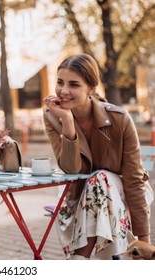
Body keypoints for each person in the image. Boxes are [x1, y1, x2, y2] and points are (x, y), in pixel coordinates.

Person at [43, 53, 153, 260]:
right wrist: (67, 123)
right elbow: (71, 169)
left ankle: (79, 259)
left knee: (100, 178)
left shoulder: (119, 119)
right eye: (60, 82)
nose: (64, 91)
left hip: (126, 194)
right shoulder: (53, 116)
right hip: (83, 198)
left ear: (91, 89)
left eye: (74, 85)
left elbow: (134, 179)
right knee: (97, 181)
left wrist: (144, 244)